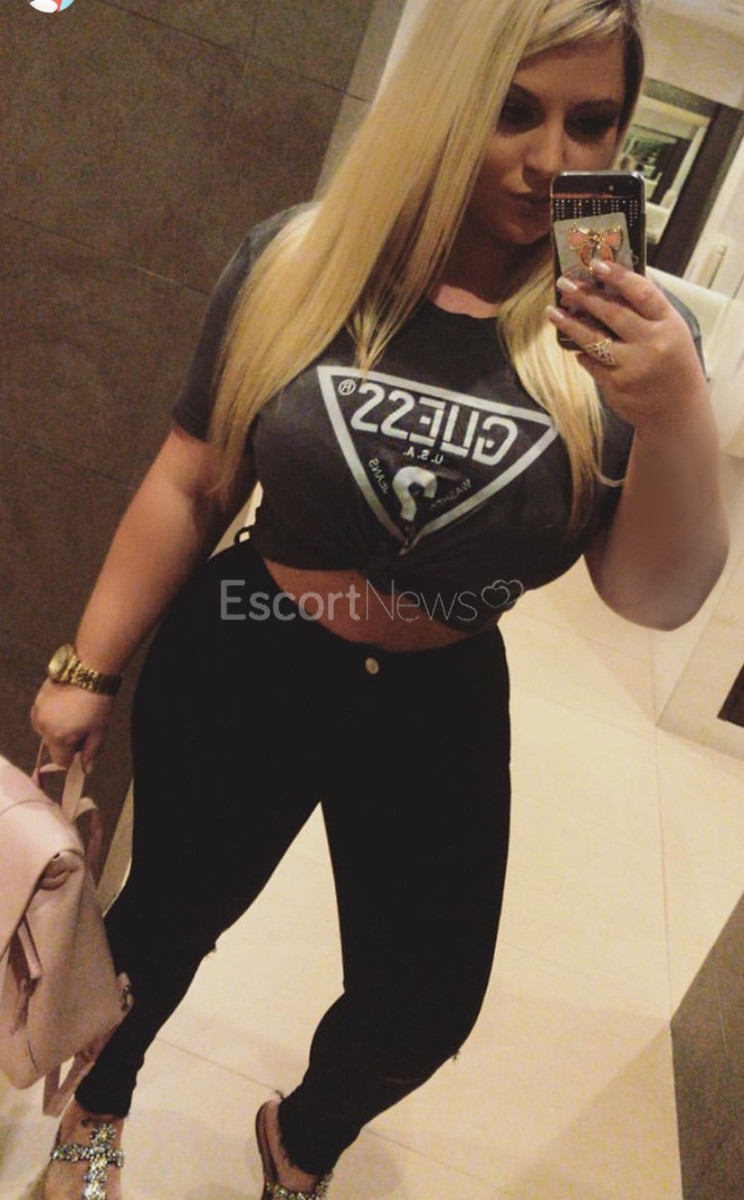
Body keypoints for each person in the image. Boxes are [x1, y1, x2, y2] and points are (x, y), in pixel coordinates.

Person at [31, 0, 729, 1197]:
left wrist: (674, 416)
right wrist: (85, 669)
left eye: (592, 122)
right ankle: (96, 1115)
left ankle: (299, 1144)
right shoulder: (300, 262)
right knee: (166, 924)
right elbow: (193, 477)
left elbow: (651, 597)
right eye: (513, 110)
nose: (551, 158)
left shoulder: (624, 336)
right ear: (446, 103)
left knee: (425, 1002)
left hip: (439, 687)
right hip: (251, 645)